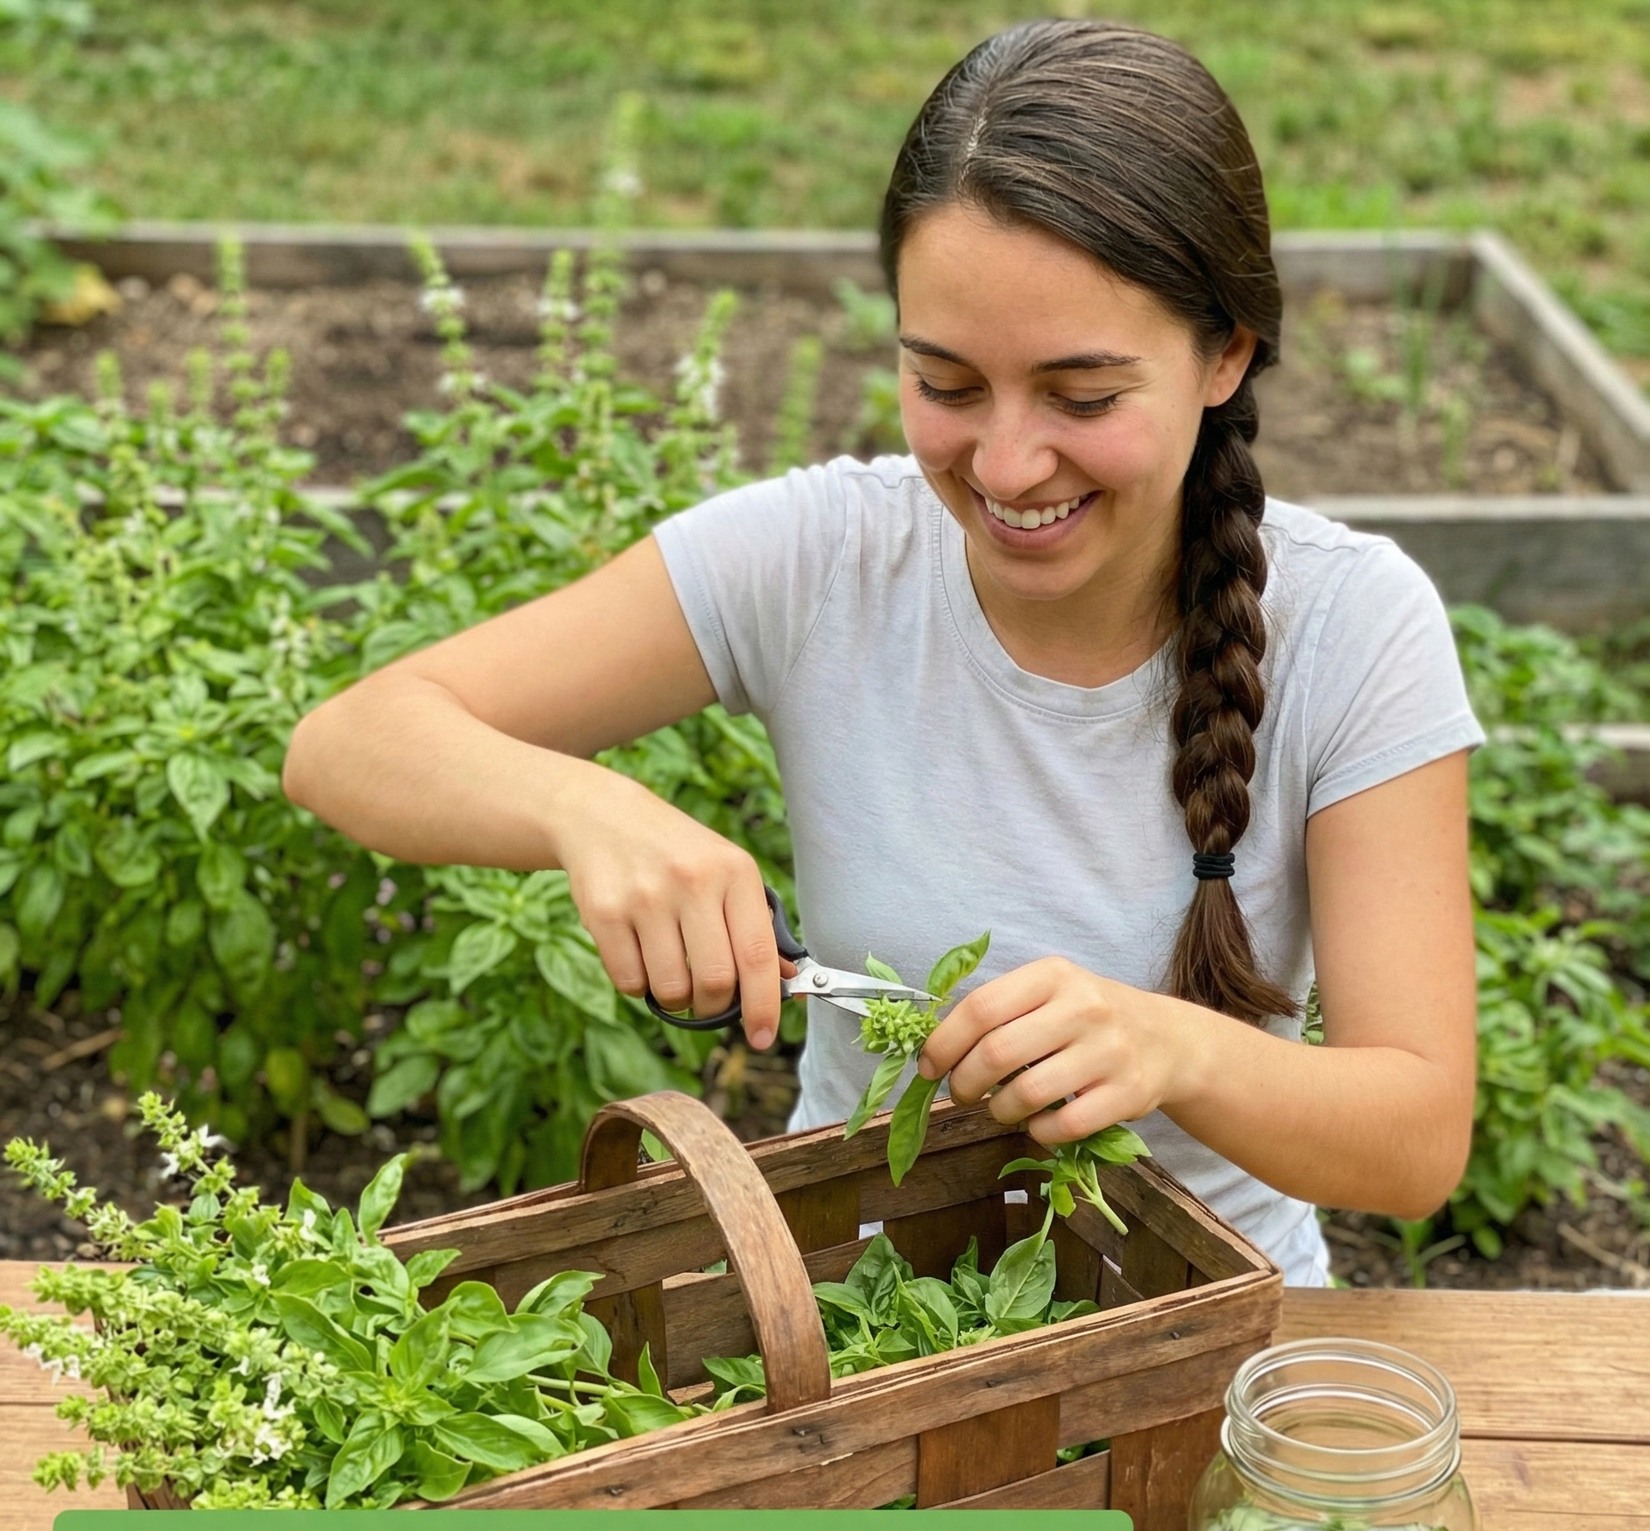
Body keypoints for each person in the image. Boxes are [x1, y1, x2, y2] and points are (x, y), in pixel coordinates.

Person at [282, 21, 1482, 1287]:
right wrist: (589, 811)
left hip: (1209, 1327)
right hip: (852, 1317)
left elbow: (1414, 1141)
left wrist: (1176, 1049)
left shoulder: (1352, 627)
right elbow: (348, 743)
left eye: (1083, 397)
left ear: (1224, 352)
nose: (1007, 464)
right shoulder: (821, 556)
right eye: (946, 384)